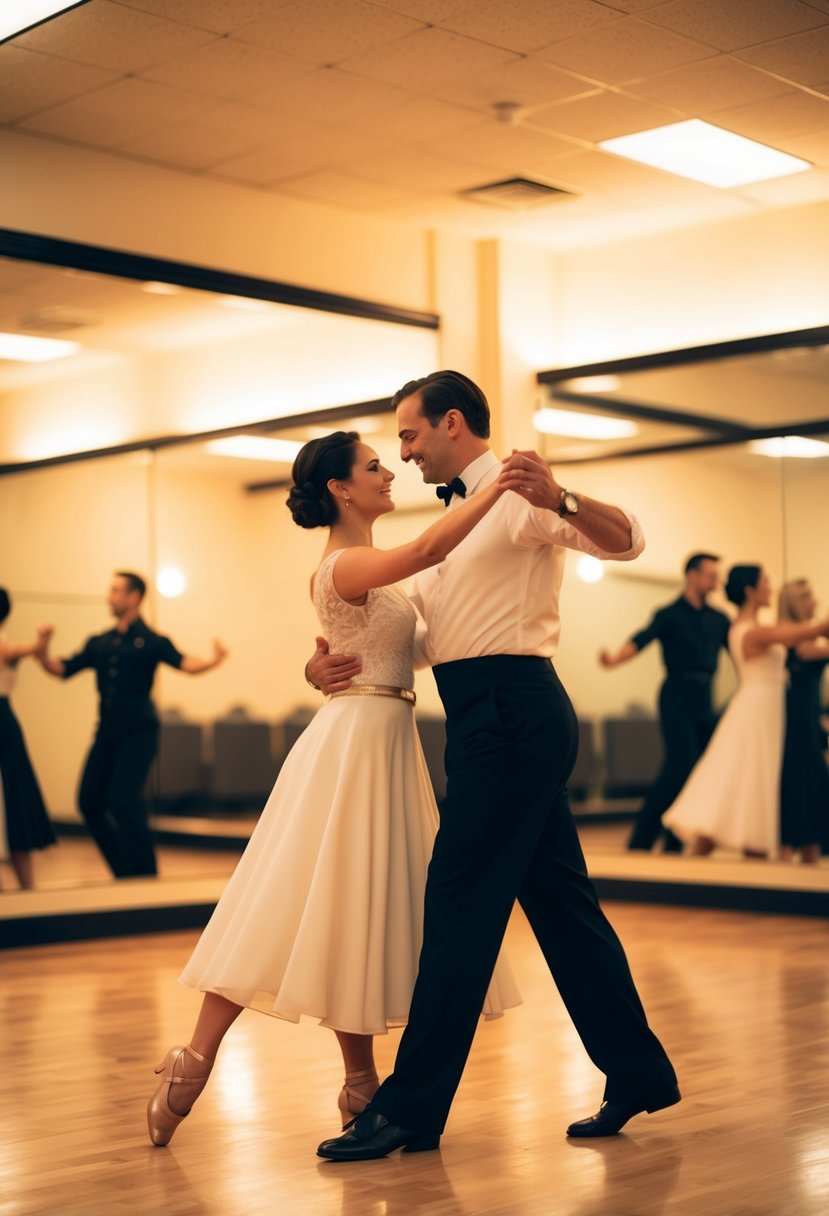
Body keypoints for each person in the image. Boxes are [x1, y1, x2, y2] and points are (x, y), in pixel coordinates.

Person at [312, 370, 680, 1162]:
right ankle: (639, 1073)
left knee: (458, 907)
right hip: (485, 716)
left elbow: (629, 540)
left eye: (408, 436)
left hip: (512, 713)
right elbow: (417, 642)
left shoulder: (519, 494)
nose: (403, 453)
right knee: (561, 908)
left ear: (451, 423)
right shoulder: (456, 515)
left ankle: (410, 1107)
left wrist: (564, 499)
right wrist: (324, 670)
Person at [146, 431, 521, 1149]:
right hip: (350, 746)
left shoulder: (370, 574)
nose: (389, 473)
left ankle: (358, 1083)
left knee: (357, 908)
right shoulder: (349, 562)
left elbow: (388, 644)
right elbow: (424, 552)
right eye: (374, 466)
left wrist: (314, 669)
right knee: (286, 899)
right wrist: (496, 487)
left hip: (382, 740)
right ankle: (195, 1059)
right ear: (340, 490)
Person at [36, 572, 227, 879]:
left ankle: (145, 874)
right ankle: (125, 871)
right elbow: (61, 669)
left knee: (123, 800)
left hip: (139, 733)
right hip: (107, 733)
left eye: (115, 591)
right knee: (88, 801)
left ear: (134, 597)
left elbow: (185, 663)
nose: (109, 597)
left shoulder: (151, 641)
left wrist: (214, 660)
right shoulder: (101, 642)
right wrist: (42, 648)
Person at [663, 566, 829, 858]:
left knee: (747, 783)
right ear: (751, 591)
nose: (770, 587)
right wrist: (818, 628)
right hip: (755, 711)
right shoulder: (748, 630)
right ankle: (703, 860)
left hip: (766, 710)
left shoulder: (755, 628)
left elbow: (791, 634)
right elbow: (800, 633)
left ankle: (743, 855)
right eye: (766, 581)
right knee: (741, 778)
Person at [598, 553, 731, 853]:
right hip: (676, 695)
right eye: (710, 575)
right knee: (680, 764)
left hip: (705, 696)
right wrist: (614, 660)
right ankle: (641, 840)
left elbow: (740, 649)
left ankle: (674, 839)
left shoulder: (719, 619)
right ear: (693, 576)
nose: (715, 582)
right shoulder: (669, 614)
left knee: (696, 770)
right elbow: (642, 639)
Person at [0, 587, 57, 890]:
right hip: (5, 724)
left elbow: (26, 650)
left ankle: (27, 888)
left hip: (2, 725)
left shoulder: (3, 644)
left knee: (13, 802)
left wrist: (42, 641)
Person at [778, 579, 829, 863]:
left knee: (811, 785)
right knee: (801, 783)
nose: (813, 601)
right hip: (796, 720)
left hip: (810, 718)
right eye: (806, 596)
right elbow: (807, 653)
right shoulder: (791, 636)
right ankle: (792, 852)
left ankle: (808, 853)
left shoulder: (808, 638)